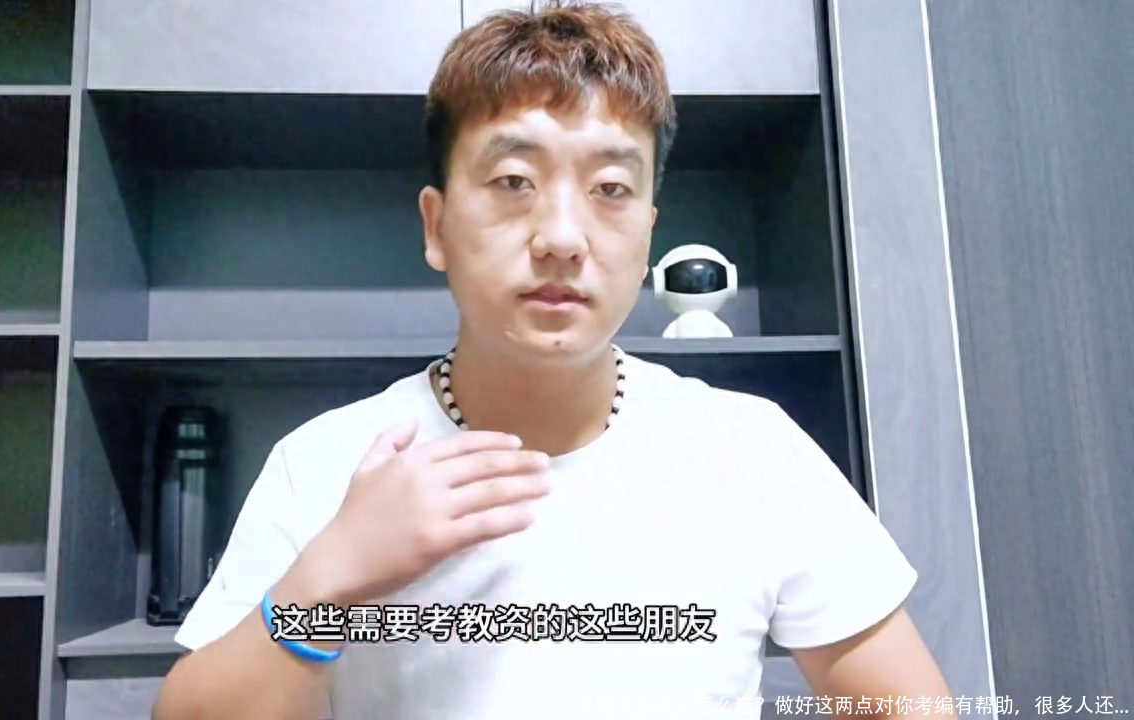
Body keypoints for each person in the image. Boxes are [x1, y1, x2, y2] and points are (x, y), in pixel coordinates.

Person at [152, 2, 952, 718]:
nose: (563, 237)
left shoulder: (753, 451)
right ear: (436, 226)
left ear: (647, 233)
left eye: (610, 189)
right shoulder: (331, 464)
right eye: (513, 180)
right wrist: (329, 576)